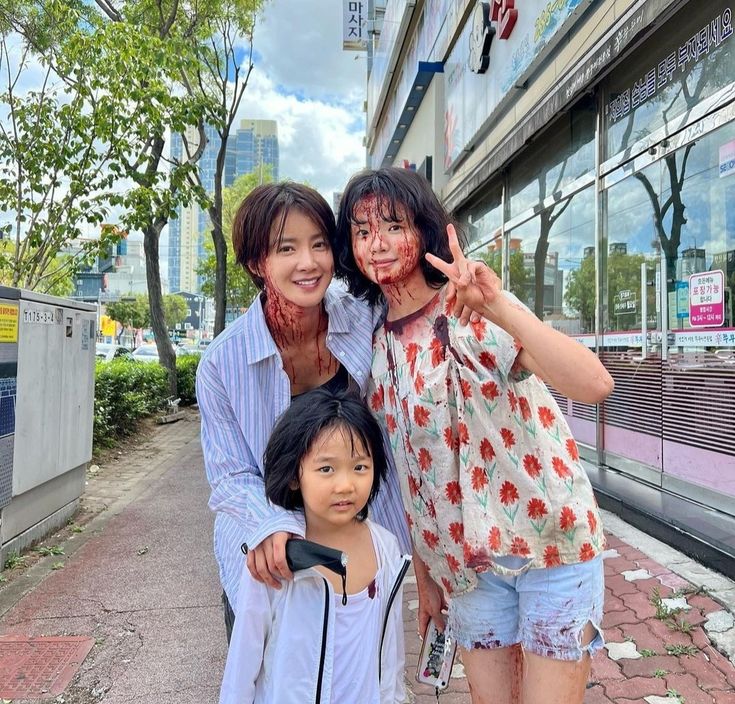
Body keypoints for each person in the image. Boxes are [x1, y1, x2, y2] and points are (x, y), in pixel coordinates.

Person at [334, 167, 615, 704]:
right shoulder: (373, 347)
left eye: (393, 225)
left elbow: (593, 383)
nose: (378, 244)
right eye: (363, 230)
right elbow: (410, 473)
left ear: (425, 229)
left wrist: (499, 306)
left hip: (550, 544)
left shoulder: (470, 308)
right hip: (465, 569)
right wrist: (426, 574)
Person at [196, 182, 409, 643]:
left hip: (357, 543)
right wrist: (270, 528)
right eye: (286, 248)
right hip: (271, 557)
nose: (308, 263)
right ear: (257, 262)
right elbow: (231, 475)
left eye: (318, 245)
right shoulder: (222, 362)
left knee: (359, 677)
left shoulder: (363, 317)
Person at [219, 388, 411, 704]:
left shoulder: (387, 550)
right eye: (326, 469)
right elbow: (243, 662)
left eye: (360, 467)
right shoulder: (277, 557)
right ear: (296, 475)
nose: (346, 484)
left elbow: (391, 655)